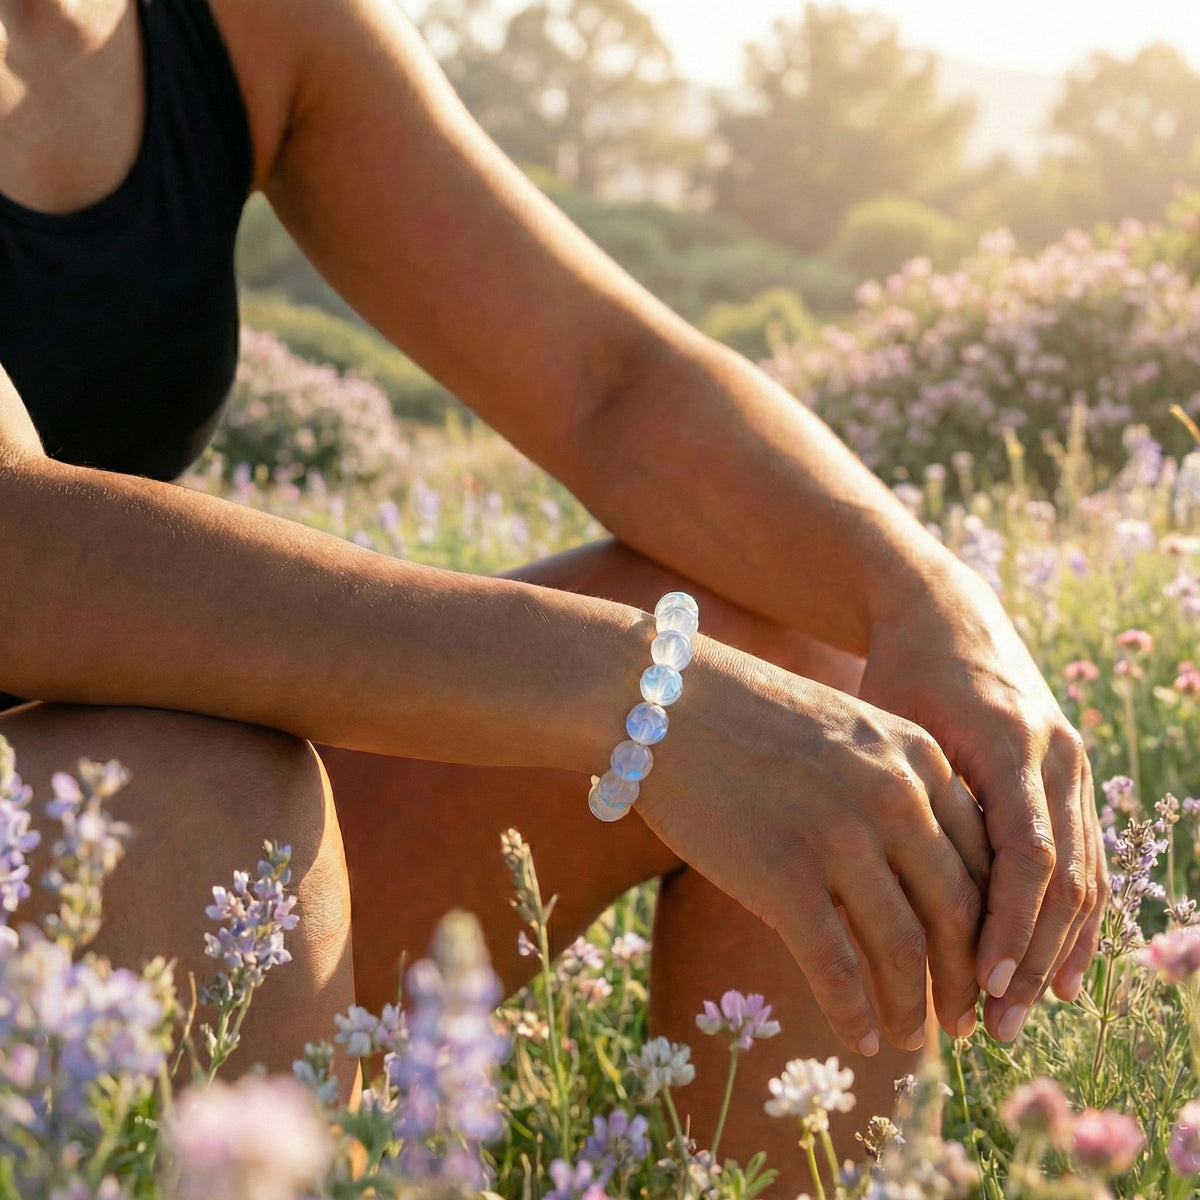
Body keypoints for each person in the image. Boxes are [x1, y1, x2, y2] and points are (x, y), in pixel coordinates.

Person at [0, 0, 1105, 1187]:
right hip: (118, 834)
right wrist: (646, 696)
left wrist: (930, 600)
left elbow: (608, 382)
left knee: (804, 663)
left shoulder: (244, 23)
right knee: (196, 809)